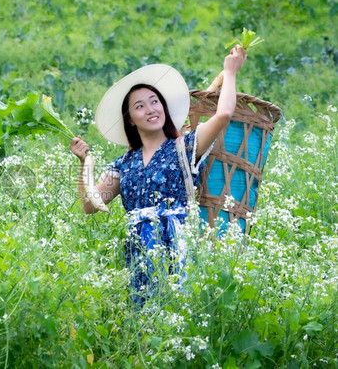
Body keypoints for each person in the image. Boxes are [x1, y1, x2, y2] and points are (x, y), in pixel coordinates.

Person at [69, 46, 247, 307]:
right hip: (139, 253)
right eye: (140, 106)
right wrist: (84, 163)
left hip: (178, 246)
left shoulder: (185, 147)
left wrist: (229, 73)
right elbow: (90, 205)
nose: (151, 109)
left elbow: (223, 115)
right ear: (130, 120)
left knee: (178, 317)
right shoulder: (125, 163)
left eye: (155, 101)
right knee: (143, 322)